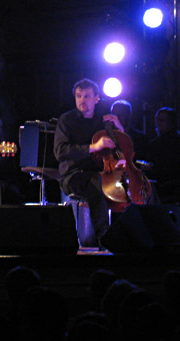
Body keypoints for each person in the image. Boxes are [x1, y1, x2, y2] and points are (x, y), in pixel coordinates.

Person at [53, 78, 123, 242]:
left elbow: (120, 150)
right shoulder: (66, 120)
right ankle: (104, 237)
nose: (82, 101)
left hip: (101, 172)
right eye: (79, 96)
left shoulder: (103, 121)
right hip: (73, 175)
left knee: (129, 185)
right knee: (98, 184)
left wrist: (120, 129)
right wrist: (93, 147)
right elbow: (60, 152)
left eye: (87, 96)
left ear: (96, 99)